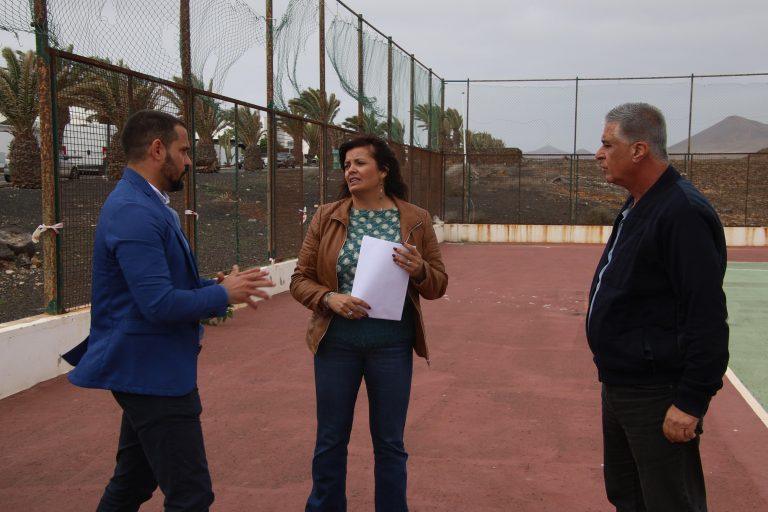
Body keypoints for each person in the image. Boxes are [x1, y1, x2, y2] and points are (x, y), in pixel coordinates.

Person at [66, 109, 274, 511]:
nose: (190, 160)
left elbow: (162, 287)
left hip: (146, 368)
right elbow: (157, 303)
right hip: (150, 372)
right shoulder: (134, 210)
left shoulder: (147, 203)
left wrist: (216, 288)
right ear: (158, 150)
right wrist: (221, 296)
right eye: (184, 150)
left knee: (133, 483)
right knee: (191, 495)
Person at [290, 135, 448, 511]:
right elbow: (300, 279)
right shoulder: (327, 216)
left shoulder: (415, 218)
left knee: (390, 443)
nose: (350, 171)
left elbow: (438, 283)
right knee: (330, 440)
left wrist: (420, 269)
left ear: (383, 170)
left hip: (391, 345)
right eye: (346, 165)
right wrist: (330, 298)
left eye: (359, 163)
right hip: (336, 343)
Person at [587, 103, 729, 511]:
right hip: (621, 384)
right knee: (628, 495)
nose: (598, 153)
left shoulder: (681, 212)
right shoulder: (638, 203)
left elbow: (706, 315)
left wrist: (690, 401)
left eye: (607, 143)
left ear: (638, 151)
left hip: (656, 391)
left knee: (669, 501)